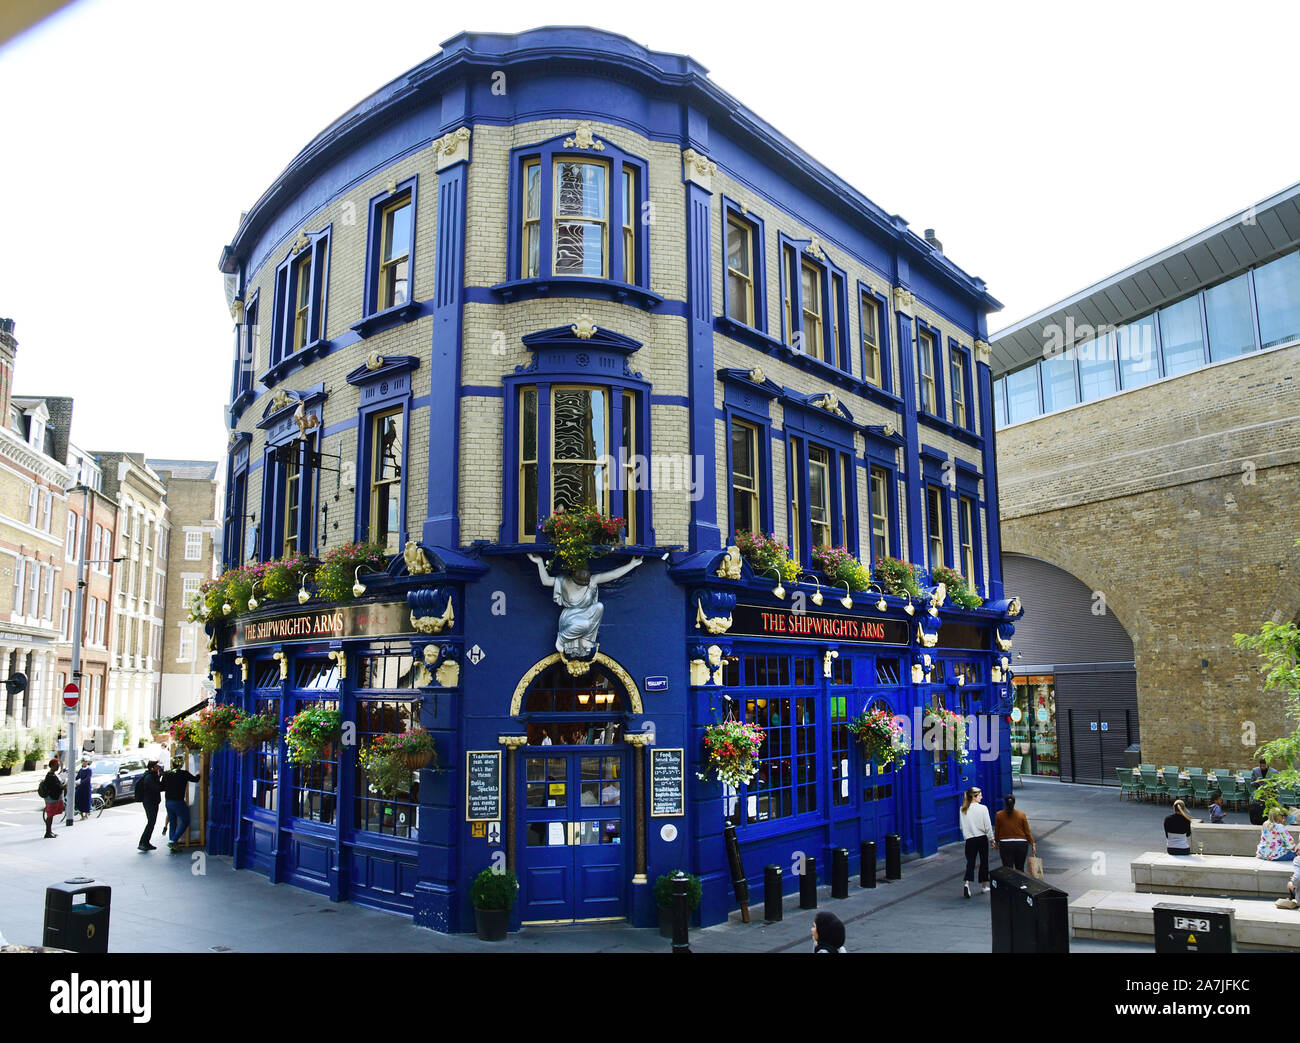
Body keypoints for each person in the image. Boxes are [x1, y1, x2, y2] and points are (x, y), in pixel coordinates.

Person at [959, 786, 996, 897]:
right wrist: (991, 839)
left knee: (970, 862)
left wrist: (967, 835)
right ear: (974, 797)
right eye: (980, 795)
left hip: (970, 839)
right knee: (984, 862)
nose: (981, 797)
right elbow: (988, 826)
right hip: (981, 838)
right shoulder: (983, 808)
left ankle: (967, 884)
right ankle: (984, 886)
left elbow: (961, 826)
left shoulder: (963, 809)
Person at [161, 757, 201, 853]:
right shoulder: (183, 773)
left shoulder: (167, 773)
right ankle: (173, 840)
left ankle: (173, 843)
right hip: (178, 801)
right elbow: (195, 780)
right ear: (181, 764)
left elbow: (162, 787)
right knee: (186, 821)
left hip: (168, 801)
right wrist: (198, 774)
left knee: (172, 822)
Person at [994, 794, 1036, 871]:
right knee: (1020, 868)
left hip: (1005, 844)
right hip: (1021, 844)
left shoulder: (999, 815)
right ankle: (1020, 883)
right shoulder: (1021, 815)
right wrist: (1032, 843)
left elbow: (997, 830)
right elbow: (1027, 831)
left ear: (1005, 803)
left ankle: (1008, 883)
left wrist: (996, 842)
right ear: (1014, 802)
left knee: (1007, 869)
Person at [136, 760, 163, 851]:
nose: (158, 767)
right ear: (152, 768)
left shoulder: (151, 776)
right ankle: (143, 843)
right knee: (151, 822)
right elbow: (157, 788)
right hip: (150, 802)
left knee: (151, 822)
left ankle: (146, 842)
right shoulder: (149, 778)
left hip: (151, 802)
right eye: (156, 766)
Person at [37, 758, 64, 839]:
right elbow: (55, 787)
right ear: (52, 766)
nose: (58, 767)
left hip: (51, 798)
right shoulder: (50, 776)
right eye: (56, 765)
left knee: (50, 815)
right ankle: (48, 833)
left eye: (58, 765)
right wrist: (63, 786)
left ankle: (49, 832)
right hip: (51, 798)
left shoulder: (52, 775)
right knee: (50, 815)